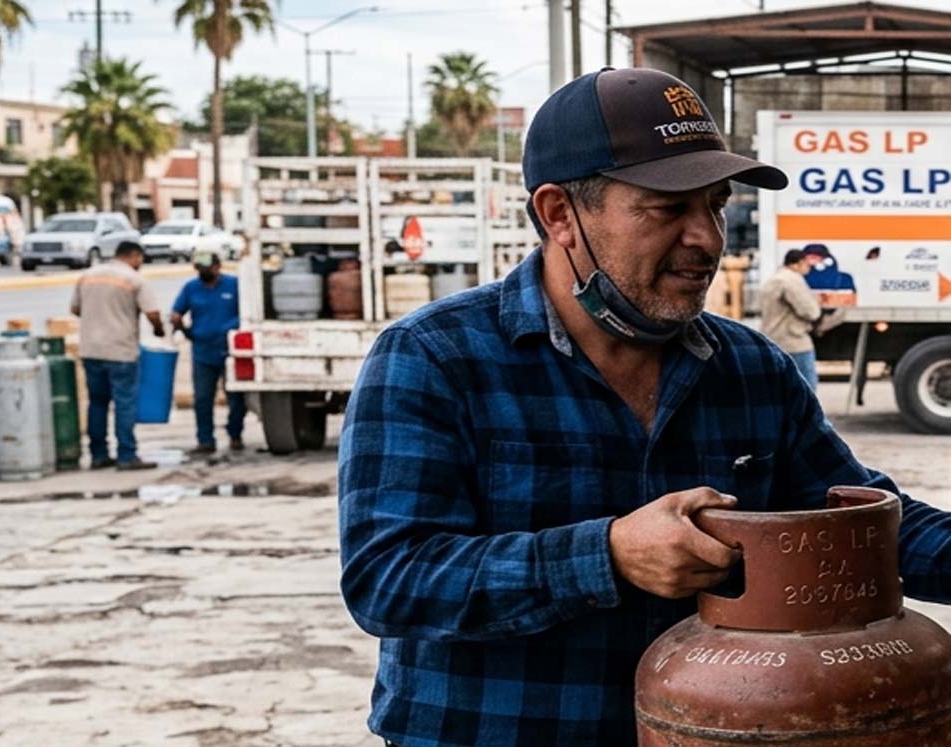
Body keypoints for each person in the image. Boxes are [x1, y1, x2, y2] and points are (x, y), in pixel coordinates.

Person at [338, 67, 951, 747]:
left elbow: (863, 523)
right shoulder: (435, 359)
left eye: (715, 205)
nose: (708, 238)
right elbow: (388, 578)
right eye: (669, 209)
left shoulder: (751, 371)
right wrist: (607, 554)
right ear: (559, 215)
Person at [70, 240, 164, 470]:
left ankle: (98, 455)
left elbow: (75, 309)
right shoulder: (134, 279)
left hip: (91, 350)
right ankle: (126, 455)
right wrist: (158, 329)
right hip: (121, 351)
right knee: (124, 404)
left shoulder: (88, 275)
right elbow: (152, 313)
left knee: (97, 403)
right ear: (135, 256)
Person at [171, 251, 245, 455]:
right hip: (203, 352)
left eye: (207, 267)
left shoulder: (233, 285)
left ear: (217, 266)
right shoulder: (191, 288)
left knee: (236, 398)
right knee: (203, 398)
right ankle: (205, 440)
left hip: (229, 351)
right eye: (200, 268)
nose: (204, 271)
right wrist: (184, 330)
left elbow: (245, 312)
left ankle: (235, 434)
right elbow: (176, 313)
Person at [760, 248, 822, 390]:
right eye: (807, 264)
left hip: (772, 340)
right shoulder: (791, 280)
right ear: (797, 264)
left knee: (778, 390)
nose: (809, 268)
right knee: (806, 390)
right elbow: (810, 311)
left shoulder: (773, 279)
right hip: (794, 342)